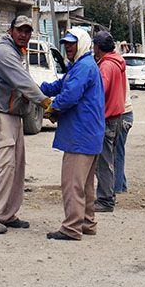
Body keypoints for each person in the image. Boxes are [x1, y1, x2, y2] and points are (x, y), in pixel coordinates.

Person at [0, 15, 52, 234]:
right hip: (0, 116)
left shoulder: (18, 52)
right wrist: (47, 104)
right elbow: (23, 82)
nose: (24, 35)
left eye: (28, 31)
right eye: (20, 30)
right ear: (11, 31)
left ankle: (7, 214)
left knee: (16, 167)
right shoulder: (4, 53)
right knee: (4, 166)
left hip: (12, 115)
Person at [40, 27, 105, 241]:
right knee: (85, 184)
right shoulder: (81, 65)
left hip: (80, 135)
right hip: (89, 134)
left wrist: (52, 107)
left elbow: (69, 95)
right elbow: (62, 85)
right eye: (66, 43)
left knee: (72, 183)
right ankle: (87, 223)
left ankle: (71, 228)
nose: (68, 47)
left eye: (71, 43)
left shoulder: (83, 66)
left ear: (82, 44)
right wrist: (40, 88)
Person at [92, 31, 126, 212]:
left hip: (106, 118)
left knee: (103, 162)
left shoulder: (106, 66)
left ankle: (105, 200)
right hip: (117, 116)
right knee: (109, 159)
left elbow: (99, 92)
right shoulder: (118, 62)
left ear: (97, 47)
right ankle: (109, 195)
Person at [114, 77, 133, 193]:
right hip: (125, 114)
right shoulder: (118, 65)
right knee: (117, 152)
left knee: (116, 154)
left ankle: (116, 188)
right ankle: (121, 185)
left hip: (122, 115)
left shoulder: (110, 66)